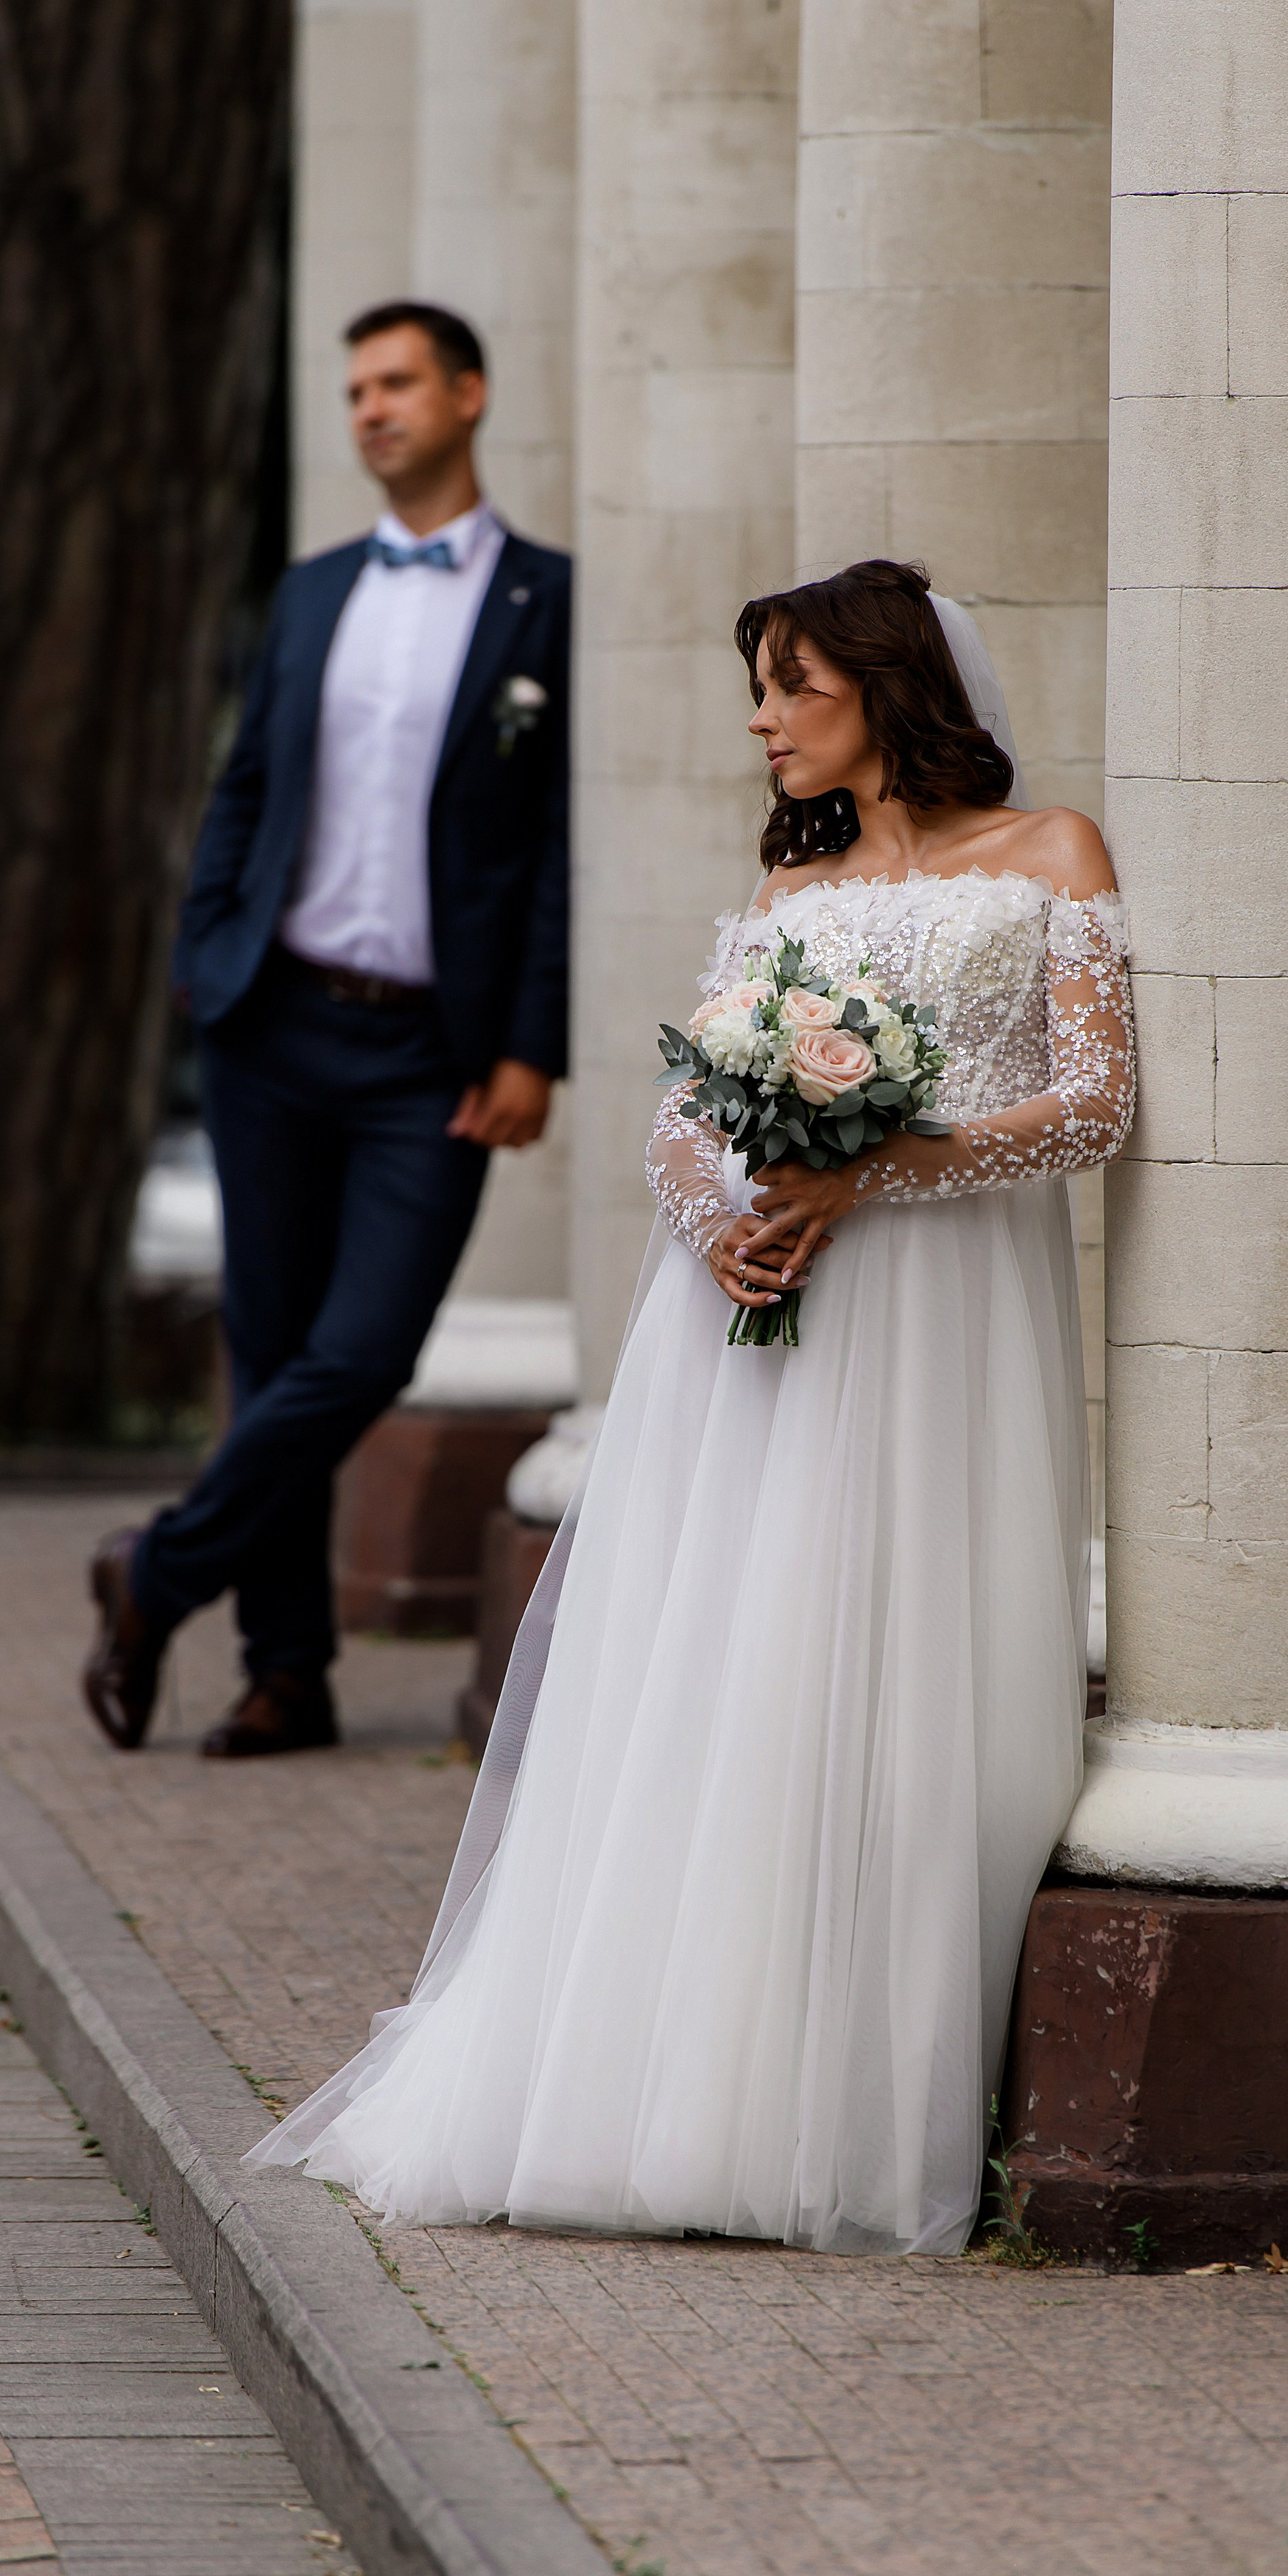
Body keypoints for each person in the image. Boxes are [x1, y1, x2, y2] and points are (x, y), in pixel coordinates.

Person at [247, 558, 1134, 2255]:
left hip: (940, 1313)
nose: (759, 721)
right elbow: (681, 1112)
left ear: (884, 687)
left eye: (789, 685)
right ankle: (676, 2081)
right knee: (743, 1655)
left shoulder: (1050, 858)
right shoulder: (783, 893)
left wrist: (885, 1166)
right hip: (765, 1313)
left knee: (899, 1662)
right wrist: (719, 1214)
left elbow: (1090, 1110)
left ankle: (850, 2097)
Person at [84, 302, 570, 1759]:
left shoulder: (549, 603)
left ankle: (157, 1568)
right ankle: (284, 1671)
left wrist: (530, 1043)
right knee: (270, 1335)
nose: (370, 407)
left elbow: (557, 850)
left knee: (360, 1352)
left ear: (469, 395)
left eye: (398, 381)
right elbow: (244, 790)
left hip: (435, 1050)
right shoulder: (307, 596)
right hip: (271, 1023)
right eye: (354, 387)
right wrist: (202, 955)